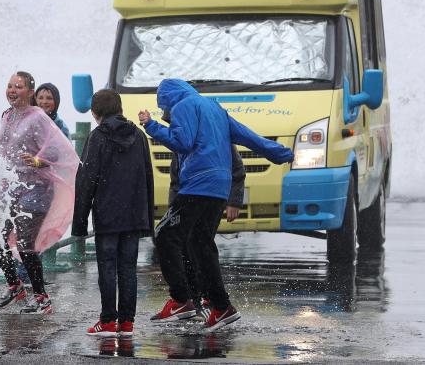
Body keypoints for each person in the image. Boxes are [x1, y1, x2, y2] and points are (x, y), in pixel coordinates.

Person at [140, 78, 293, 331]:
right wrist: (280, 152)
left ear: (166, 100)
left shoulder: (182, 107)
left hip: (197, 184)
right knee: (200, 243)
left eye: (164, 109)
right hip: (219, 187)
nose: (167, 115)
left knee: (165, 235)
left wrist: (152, 126)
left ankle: (181, 301)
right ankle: (221, 307)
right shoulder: (215, 108)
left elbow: (182, 142)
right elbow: (247, 136)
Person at [0, 71, 79, 315]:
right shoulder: (8, 116)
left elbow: (58, 149)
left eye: (18, 86)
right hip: (12, 187)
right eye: (9, 85)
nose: (12, 90)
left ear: (30, 92)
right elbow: (6, 152)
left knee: (25, 244)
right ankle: (15, 286)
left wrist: (39, 160)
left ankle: (42, 297)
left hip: (37, 188)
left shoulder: (38, 117)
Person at [72, 89, 154, 338]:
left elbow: (87, 180)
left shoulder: (97, 137)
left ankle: (108, 321)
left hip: (107, 214)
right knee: (128, 268)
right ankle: (127, 323)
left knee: (107, 267)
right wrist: (147, 218)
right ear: (120, 109)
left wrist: (79, 222)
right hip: (133, 214)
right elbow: (147, 177)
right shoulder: (139, 136)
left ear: (95, 113)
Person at [168, 134, 246, 318]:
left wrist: (234, 200)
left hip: (209, 198)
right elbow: (176, 178)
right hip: (187, 200)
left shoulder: (214, 132)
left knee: (200, 246)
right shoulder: (184, 134)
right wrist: (173, 208)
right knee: (185, 248)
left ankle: (212, 301)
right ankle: (193, 300)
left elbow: (237, 169)